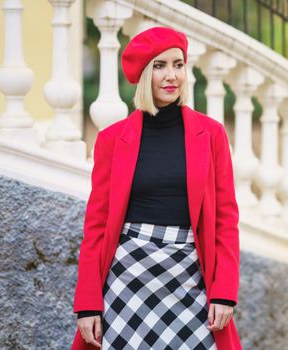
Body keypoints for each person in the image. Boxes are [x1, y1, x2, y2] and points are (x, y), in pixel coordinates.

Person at [71, 26, 242, 350]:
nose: (171, 75)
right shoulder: (111, 140)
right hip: (128, 278)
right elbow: (95, 226)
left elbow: (225, 220)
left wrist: (224, 291)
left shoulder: (211, 135)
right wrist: (89, 303)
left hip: (190, 276)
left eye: (178, 65)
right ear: (145, 74)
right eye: (160, 66)